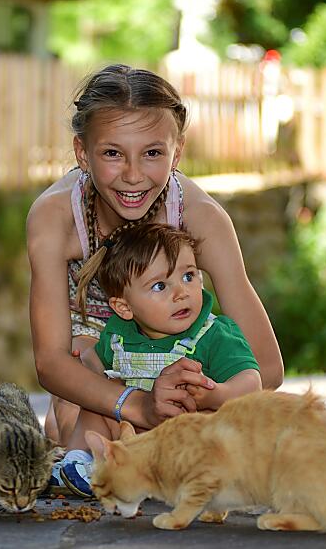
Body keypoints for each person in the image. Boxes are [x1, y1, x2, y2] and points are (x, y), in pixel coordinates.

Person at [26, 63, 283, 450]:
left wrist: (200, 392)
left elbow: (267, 367)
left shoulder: (200, 219)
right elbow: (50, 362)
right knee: (77, 433)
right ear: (83, 153)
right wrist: (140, 405)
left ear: (177, 153)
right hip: (98, 354)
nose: (133, 175)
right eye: (113, 153)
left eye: (152, 153)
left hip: (178, 345)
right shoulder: (56, 218)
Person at [56, 223, 262, 497]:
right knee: (96, 406)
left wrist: (216, 394)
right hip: (135, 435)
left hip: (184, 438)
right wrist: (86, 366)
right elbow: (99, 366)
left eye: (188, 276)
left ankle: (185, 477)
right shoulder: (118, 336)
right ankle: (80, 460)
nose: (181, 292)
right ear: (124, 307)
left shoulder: (213, 334)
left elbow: (252, 382)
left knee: (210, 423)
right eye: (160, 285)